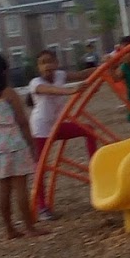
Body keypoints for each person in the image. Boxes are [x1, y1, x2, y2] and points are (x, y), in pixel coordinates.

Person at [0, 52, 47, 240]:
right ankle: (29, 227)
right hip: (13, 142)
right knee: (21, 188)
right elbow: (22, 121)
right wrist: (31, 144)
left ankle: (9, 229)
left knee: (3, 189)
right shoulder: (8, 93)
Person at [28, 49, 97, 222]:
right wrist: (71, 91)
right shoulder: (35, 83)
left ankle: (95, 167)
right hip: (41, 130)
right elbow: (50, 90)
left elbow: (82, 74)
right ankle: (42, 207)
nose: (47, 66)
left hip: (57, 126)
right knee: (40, 167)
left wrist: (103, 66)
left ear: (57, 63)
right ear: (38, 68)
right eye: (43, 63)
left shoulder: (60, 75)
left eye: (50, 61)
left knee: (89, 130)